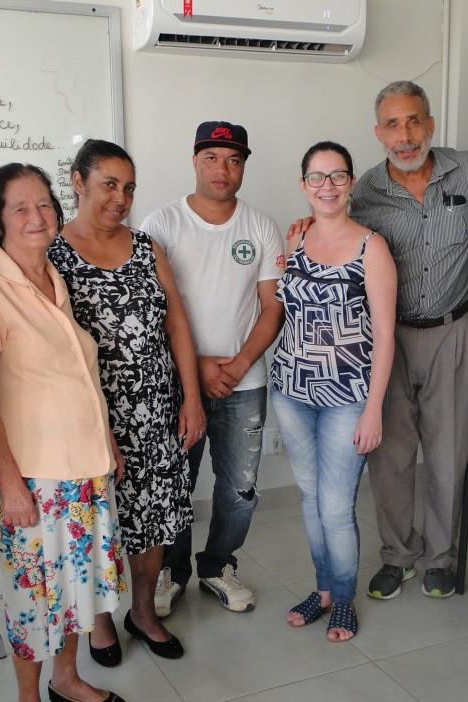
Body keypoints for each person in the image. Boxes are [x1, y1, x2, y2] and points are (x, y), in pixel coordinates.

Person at [0, 164, 126, 702]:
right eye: (21, 208)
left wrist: (109, 442)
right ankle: (28, 697)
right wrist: (8, 481)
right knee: (35, 594)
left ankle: (67, 679)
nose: (38, 217)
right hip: (33, 474)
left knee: (78, 588)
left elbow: (77, 375)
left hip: (84, 465)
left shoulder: (54, 279)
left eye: (45, 205)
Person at [340, 81, 468, 601]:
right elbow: (338, 242)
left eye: (413, 122)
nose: (404, 135)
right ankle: (397, 556)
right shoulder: (363, 192)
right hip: (385, 339)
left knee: (450, 449)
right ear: (378, 132)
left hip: (451, 330)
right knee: (390, 454)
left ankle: (442, 557)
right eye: (392, 124)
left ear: (430, 125)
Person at [48, 140, 204, 664]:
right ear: (78, 181)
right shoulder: (50, 252)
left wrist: (191, 397)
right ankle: (99, 621)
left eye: (129, 187)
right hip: (92, 415)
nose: (121, 198)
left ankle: (142, 611)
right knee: (97, 518)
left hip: (156, 408)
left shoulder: (146, 246)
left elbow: (176, 321)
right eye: (109, 184)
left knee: (153, 516)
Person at [142, 121, 284, 616]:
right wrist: (196, 370)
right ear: (194, 160)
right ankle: (172, 570)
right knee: (176, 482)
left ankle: (218, 565)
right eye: (212, 158)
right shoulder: (162, 224)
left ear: (243, 165)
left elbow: (272, 306)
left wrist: (240, 362)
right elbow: (152, 308)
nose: (222, 170)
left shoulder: (261, 225)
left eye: (234, 160)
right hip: (181, 385)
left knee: (240, 488)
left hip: (245, 385)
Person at [272, 141, 396, 641]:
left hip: (348, 395)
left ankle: (343, 598)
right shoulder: (296, 239)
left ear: (350, 183)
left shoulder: (373, 247)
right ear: (304, 186)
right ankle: (322, 589)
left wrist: (374, 410)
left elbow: (386, 335)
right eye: (317, 177)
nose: (327, 186)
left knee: (335, 506)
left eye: (337, 176)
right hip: (291, 389)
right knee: (309, 497)